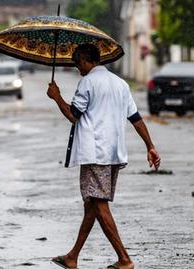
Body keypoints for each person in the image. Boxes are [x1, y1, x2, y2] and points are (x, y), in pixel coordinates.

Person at [47, 44, 161, 269]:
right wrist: (150, 145)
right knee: (92, 204)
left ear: (85, 60)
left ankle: (125, 259)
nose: (77, 68)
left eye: (77, 63)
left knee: (98, 203)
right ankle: (73, 257)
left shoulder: (88, 82)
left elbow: (73, 115)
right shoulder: (121, 84)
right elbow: (135, 118)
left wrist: (57, 97)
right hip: (113, 153)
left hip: (95, 153)